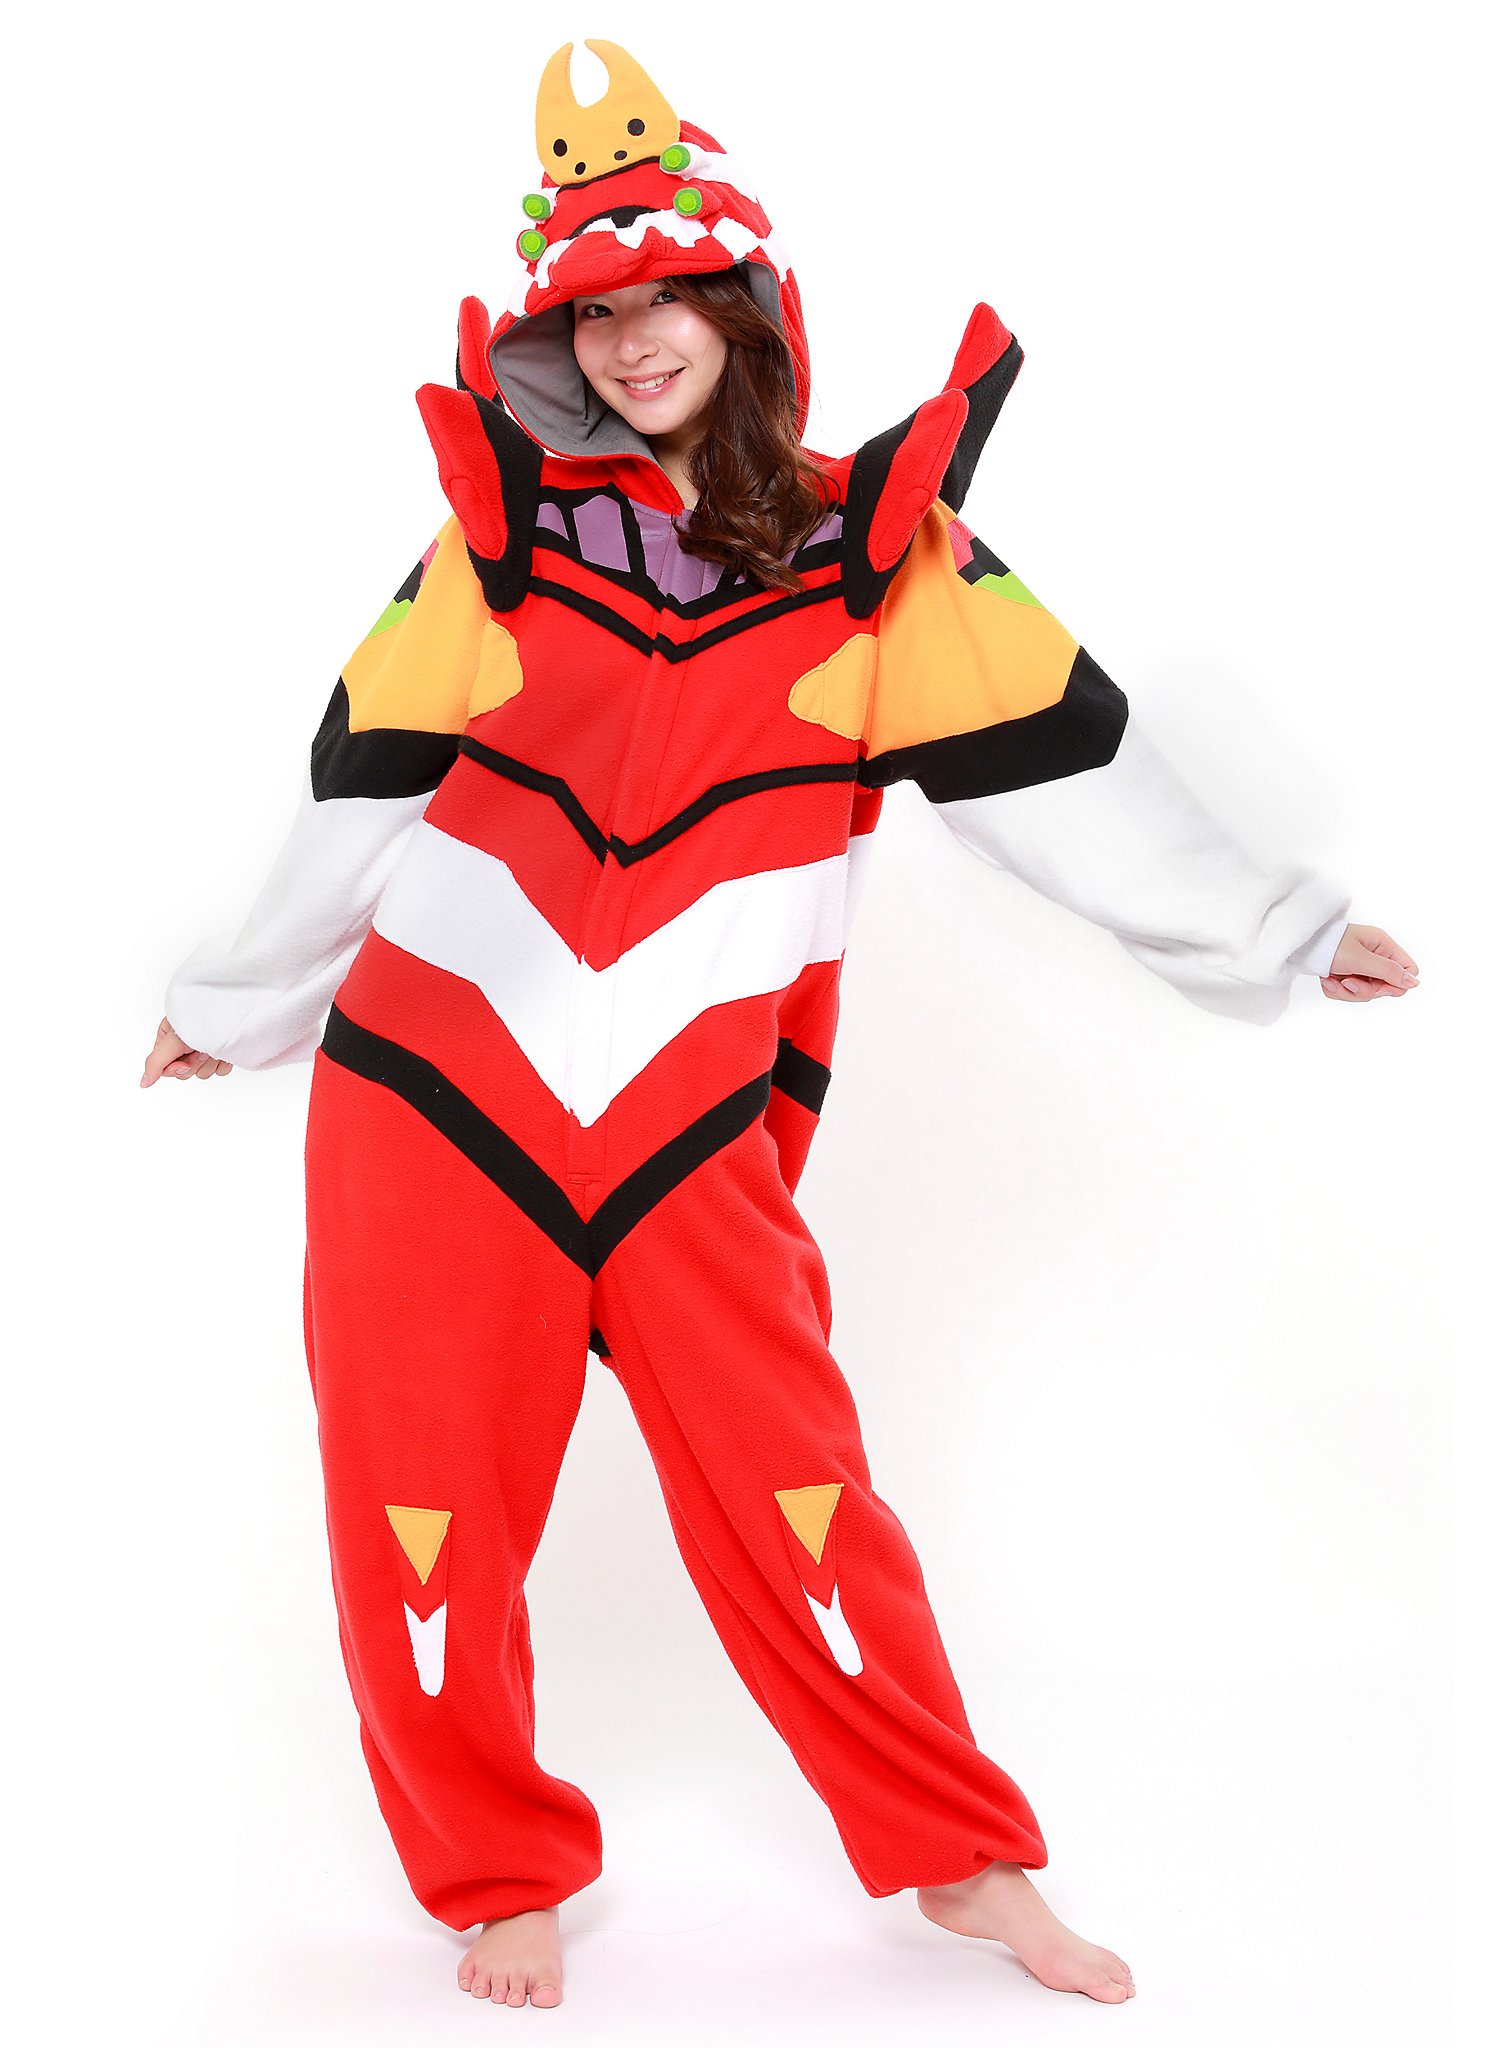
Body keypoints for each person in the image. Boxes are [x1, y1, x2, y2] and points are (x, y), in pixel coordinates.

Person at [141, 37, 1418, 2014]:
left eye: (667, 296)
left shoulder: (869, 557)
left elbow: (1057, 767)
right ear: (555, 345)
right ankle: (494, 1872)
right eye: (592, 312)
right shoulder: (502, 542)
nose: (632, 338)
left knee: (799, 1490)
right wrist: (238, 1004)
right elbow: (364, 775)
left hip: (686, 1121)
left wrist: (1281, 927)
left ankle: (966, 1863)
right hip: (432, 1090)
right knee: (419, 1512)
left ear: (745, 307)